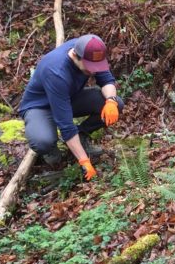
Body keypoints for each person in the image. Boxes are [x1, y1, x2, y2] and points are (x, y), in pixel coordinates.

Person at [18, 34, 124, 179]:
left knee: (117, 104)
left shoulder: (90, 50)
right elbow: (66, 125)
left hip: (69, 98)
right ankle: (50, 149)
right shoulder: (56, 72)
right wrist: (84, 161)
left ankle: (81, 135)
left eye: (96, 67)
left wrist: (111, 101)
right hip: (40, 107)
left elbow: (107, 80)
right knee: (43, 141)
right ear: (75, 56)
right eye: (90, 68)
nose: (93, 71)